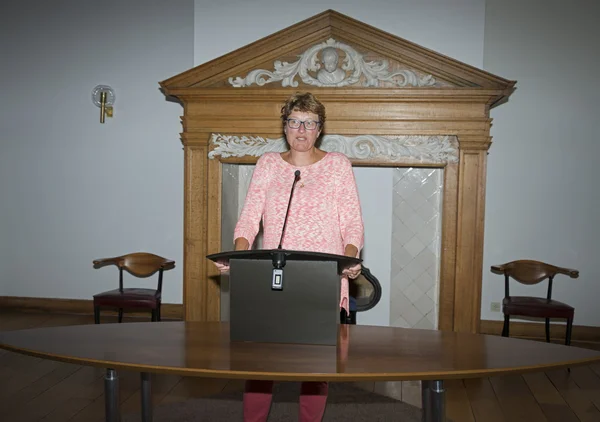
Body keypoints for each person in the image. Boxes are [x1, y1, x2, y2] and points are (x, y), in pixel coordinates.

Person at [214, 92, 364, 422]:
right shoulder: (268, 164)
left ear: (319, 129)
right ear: (285, 126)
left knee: (316, 365)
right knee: (259, 360)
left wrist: (349, 259)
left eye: (310, 123)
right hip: (272, 276)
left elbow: (352, 222)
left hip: (321, 276)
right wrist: (240, 259)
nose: (301, 130)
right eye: (294, 121)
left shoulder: (338, 165)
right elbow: (249, 218)